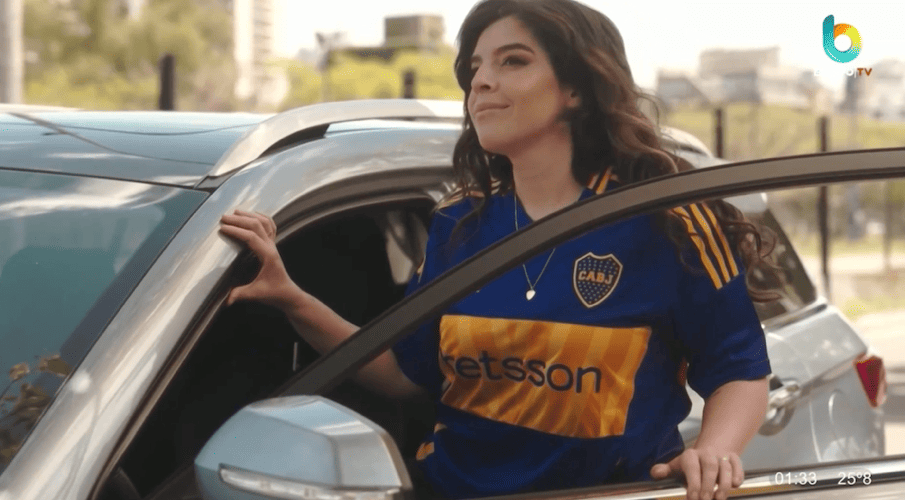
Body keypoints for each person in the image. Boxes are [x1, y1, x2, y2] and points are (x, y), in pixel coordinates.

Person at [219, 1, 783, 499]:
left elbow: (738, 369)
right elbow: (404, 375)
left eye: (512, 61)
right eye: (475, 68)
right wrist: (292, 299)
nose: (481, 82)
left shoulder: (666, 221)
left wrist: (714, 451)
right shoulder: (458, 222)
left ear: (575, 89)